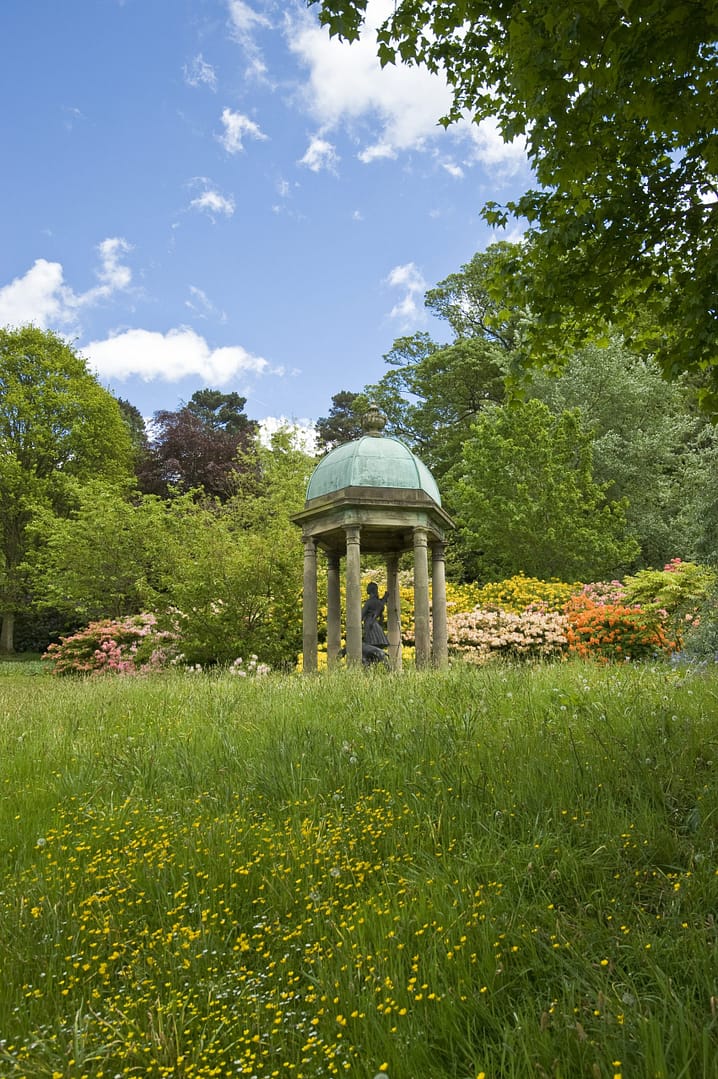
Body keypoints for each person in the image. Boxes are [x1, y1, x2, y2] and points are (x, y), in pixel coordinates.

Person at [361, 582, 389, 649]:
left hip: (369, 623)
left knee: (370, 643)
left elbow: (361, 615)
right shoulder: (379, 602)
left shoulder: (369, 602)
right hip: (376, 624)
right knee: (376, 644)